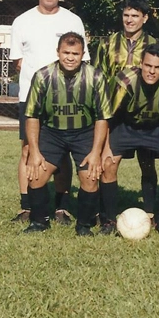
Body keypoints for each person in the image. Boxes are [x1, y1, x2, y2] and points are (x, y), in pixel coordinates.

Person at [9, 0, 90, 225]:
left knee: (62, 152)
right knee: (28, 151)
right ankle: (27, 207)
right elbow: (19, 62)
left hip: (67, 101)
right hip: (32, 99)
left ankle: (61, 207)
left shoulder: (72, 21)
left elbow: (82, 61)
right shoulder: (22, 21)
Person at [23, 32, 112, 236]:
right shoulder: (43, 76)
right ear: (58, 52)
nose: (70, 57)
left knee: (90, 177)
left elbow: (102, 118)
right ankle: (39, 222)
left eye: (75, 53)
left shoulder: (95, 77)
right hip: (53, 132)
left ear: (83, 54)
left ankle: (83, 225)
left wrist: (96, 153)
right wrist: (34, 152)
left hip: (84, 132)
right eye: (66, 52)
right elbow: (32, 116)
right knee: (36, 176)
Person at [100, 43, 159, 235]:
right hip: (127, 125)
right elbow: (106, 115)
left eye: (157, 67)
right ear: (140, 64)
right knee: (108, 163)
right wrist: (105, 148)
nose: (152, 71)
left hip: (158, 126)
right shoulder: (124, 81)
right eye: (148, 65)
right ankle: (109, 219)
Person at [93, 0, 159, 221]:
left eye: (135, 16)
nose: (130, 20)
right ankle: (107, 214)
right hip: (115, 113)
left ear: (145, 18)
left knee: (147, 164)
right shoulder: (108, 43)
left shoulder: (154, 43)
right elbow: (98, 77)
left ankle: (150, 210)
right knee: (109, 162)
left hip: (145, 112)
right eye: (126, 15)